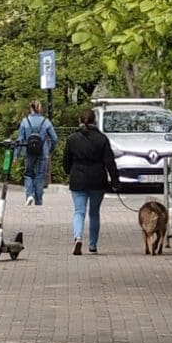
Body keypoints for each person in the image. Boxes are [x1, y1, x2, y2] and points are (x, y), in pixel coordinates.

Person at [60, 109, 117, 255]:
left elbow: (66, 160)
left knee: (79, 212)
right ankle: (92, 246)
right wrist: (115, 180)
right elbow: (110, 161)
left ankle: (78, 238)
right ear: (95, 121)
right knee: (94, 213)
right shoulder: (102, 139)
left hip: (78, 178)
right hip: (98, 179)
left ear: (80, 120)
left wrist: (69, 171)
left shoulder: (72, 139)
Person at [14, 102, 58, 206]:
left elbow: (20, 139)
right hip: (43, 152)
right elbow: (54, 138)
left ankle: (29, 195)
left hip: (28, 151)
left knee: (28, 174)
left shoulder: (25, 121)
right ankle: (38, 201)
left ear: (31, 109)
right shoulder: (46, 121)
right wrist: (50, 149)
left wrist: (16, 155)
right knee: (40, 175)